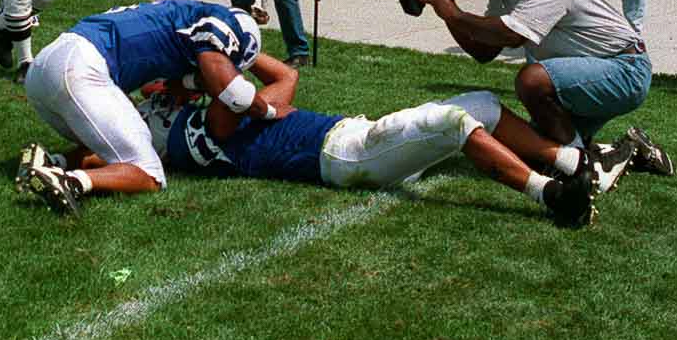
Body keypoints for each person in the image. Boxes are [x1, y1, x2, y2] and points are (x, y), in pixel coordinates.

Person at [136, 78, 616, 228]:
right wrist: (203, 71)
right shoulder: (197, 129)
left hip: (351, 135)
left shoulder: (217, 107)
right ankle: (552, 196)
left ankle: (574, 162)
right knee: (452, 123)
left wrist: (210, 68)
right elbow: (231, 93)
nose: (156, 94)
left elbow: (283, 74)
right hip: (341, 159)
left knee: (484, 105)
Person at [415, 0, 660, 155]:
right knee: (530, 150)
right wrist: (446, 7)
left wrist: (454, 14)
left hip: (625, 69)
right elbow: (484, 51)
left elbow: (511, 35)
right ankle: (635, 151)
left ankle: (575, 160)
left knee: (531, 81)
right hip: (591, 71)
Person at [16, 0, 275, 215]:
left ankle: (50, 162)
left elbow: (153, 88)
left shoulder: (178, 17)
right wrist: (270, 111)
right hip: (80, 68)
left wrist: (191, 83)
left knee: (119, 135)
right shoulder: (220, 22)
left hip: (44, 69)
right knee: (148, 173)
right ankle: (70, 181)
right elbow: (237, 95)